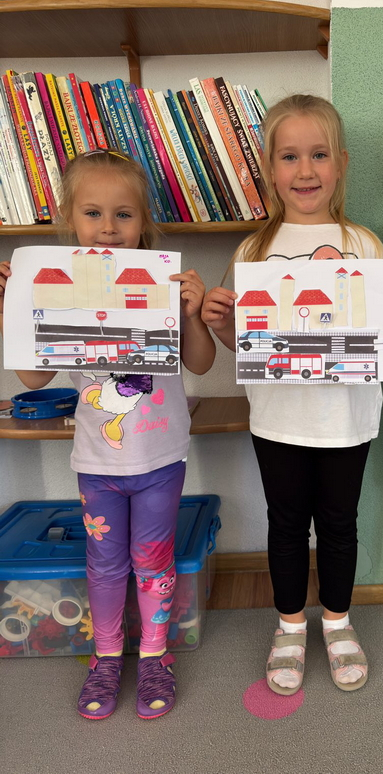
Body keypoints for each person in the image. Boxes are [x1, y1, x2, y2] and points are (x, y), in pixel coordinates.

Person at [201, 94, 383, 695]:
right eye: (290, 156)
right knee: (284, 525)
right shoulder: (253, 251)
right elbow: (241, 343)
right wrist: (221, 323)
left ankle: (338, 622)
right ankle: (289, 626)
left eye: (320, 155)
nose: (305, 171)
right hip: (277, 418)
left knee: (339, 524)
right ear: (270, 169)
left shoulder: (365, 244)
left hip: (348, 418)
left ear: (342, 163)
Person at [0, 149, 215, 719]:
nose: (109, 227)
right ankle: (106, 657)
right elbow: (33, 378)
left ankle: (155, 657)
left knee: (154, 563)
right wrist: (11, 312)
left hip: (161, 459)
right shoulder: (59, 287)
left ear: (143, 221)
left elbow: (200, 363)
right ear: (70, 219)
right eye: (92, 213)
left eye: (124, 214)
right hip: (97, 463)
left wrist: (192, 314)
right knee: (104, 565)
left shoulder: (163, 284)